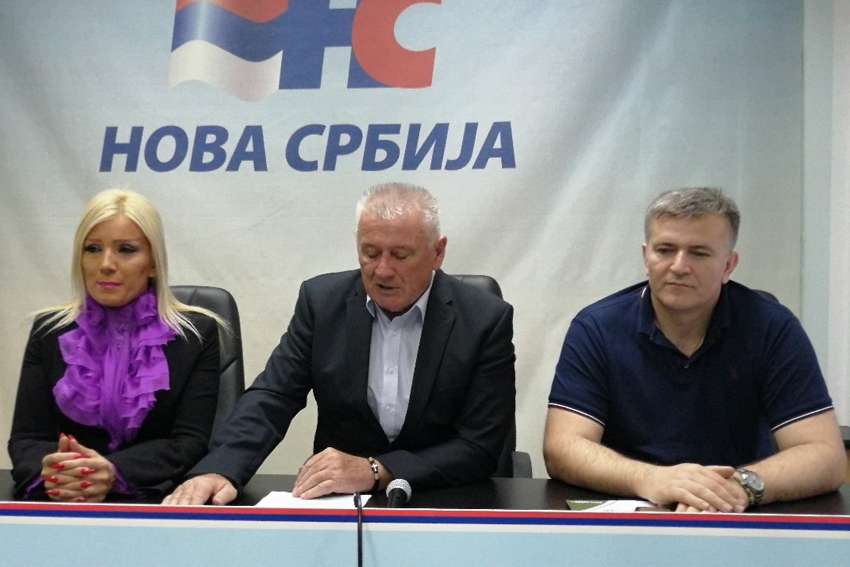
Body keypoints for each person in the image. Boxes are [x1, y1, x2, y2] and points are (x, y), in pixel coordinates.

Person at [163, 182, 516, 505]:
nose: (382, 270)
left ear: (437, 253)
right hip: (341, 502)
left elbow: (480, 445)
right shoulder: (322, 303)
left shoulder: (484, 320)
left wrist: (378, 470)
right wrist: (221, 468)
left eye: (400, 255)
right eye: (370, 253)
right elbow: (273, 396)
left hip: (447, 497)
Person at [544, 187, 846, 513]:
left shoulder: (773, 327)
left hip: (737, 512)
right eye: (665, 250)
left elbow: (825, 455)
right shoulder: (597, 328)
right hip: (633, 506)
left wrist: (734, 489)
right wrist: (653, 479)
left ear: (729, 265)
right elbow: (563, 447)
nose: (679, 266)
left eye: (698, 253)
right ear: (646, 257)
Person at [8, 189, 226, 502]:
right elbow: (27, 440)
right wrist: (61, 473)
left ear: (153, 263)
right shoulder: (49, 331)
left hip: (157, 503)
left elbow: (189, 443)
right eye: (93, 249)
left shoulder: (196, 334)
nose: (106, 264)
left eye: (126, 250)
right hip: (62, 500)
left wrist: (114, 472)